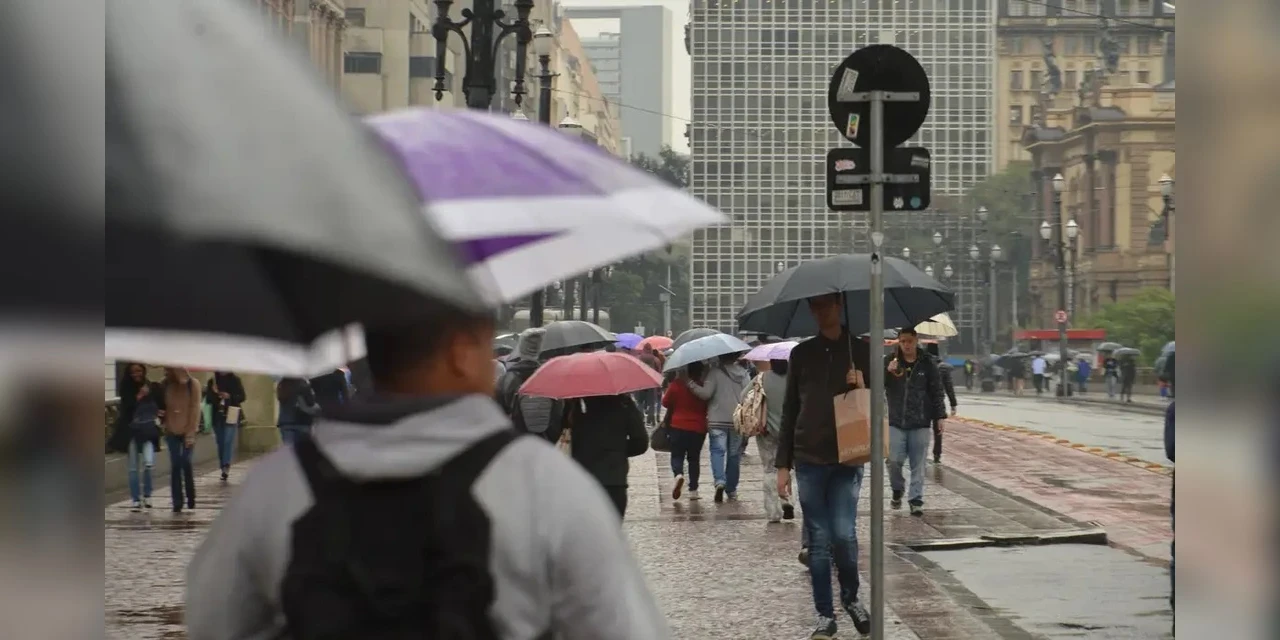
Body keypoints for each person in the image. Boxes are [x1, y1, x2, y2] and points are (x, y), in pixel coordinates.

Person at [185, 310, 670, 640]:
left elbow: (214, 622)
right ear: (461, 352)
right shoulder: (541, 485)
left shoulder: (276, 487)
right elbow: (619, 626)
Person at [775, 293, 872, 639]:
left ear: (840, 305)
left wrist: (862, 385)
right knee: (818, 541)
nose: (819, 311)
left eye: (825, 304)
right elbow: (789, 410)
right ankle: (824, 615)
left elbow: (878, 402)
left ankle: (851, 598)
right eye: (813, 306)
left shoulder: (860, 350)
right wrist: (782, 464)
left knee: (844, 535)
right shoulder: (802, 354)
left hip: (847, 456)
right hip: (809, 458)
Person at [884, 329, 947, 516]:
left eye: (910, 341)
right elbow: (876, 385)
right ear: (898, 342)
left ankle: (916, 499)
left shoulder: (927, 363)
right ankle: (898, 489)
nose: (906, 345)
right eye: (903, 341)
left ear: (916, 341)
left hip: (921, 421)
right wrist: (888, 373)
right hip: (896, 421)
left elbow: (937, 391)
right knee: (893, 461)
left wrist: (940, 416)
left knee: (918, 464)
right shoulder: (890, 361)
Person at [561, 394, 650, 518]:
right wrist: (617, 450)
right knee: (612, 532)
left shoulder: (576, 401)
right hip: (614, 479)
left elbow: (562, 433)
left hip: (582, 478)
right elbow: (641, 443)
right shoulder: (624, 402)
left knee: (586, 533)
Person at [686, 353, 750, 503]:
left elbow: (705, 394)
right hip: (737, 420)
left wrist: (690, 384)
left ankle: (720, 481)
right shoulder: (744, 373)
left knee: (717, 451)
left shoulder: (714, 372)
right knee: (734, 455)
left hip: (717, 420)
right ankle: (732, 489)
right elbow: (748, 396)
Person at [116, 363, 163, 510]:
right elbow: (126, 409)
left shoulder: (150, 386)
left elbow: (158, 404)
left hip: (148, 431)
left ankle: (148, 495)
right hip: (132, 431)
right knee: (133, 468)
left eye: (139, 371)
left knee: (149, 464)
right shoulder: (126, 388)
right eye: (133, 372)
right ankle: (136, 499)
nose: (136, 374)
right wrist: (139, 396)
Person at [755, 358, 795, 523]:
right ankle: (788, 500)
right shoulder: (794, 378)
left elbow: (745, 396)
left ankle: (773, 512)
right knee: (789, 468)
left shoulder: (762, 378)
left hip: (767, 431)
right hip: (791, 431)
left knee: (770, 469)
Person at [662, 361, 709, 501]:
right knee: (694, 459)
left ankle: (678, 474)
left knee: (677, 455)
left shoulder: (677, 384)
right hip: (698, 427)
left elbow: (665, 402)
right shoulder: (702, 387)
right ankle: (693, 490)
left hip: (678, 425)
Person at [161, 367, 202, 513]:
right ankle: (177, 501)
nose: (166, 372)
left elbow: (195, 408)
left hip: (188, 429)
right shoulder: (164, 384)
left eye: (169, 370)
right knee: (175, 464)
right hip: (171, 430)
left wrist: (190, 433)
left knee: (186, 461)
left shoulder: (193, 384)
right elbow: (161, 406)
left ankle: (191, 496)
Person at [206, 371, 246, 483]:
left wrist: (229, 396)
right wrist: (214, 393)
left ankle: (226, 466)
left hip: (231, 413)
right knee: (221, 442)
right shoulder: (212, 381)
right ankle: (223, 465)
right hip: (217, 416)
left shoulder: (235, 380)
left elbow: (242, 396)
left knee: (228, 441)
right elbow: (208, 400)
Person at [925, 344, 957, 464]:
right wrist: (953, 404)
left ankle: (923, 453)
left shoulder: (923, 365)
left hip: (924, 402)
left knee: (923, 429)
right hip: (938, 402)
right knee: (938, 430)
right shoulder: (943, 368)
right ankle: (937, 454)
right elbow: (949, 387)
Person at [276, 377, 320, 446]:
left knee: (289, 451)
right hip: (301, 423)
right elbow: (308, 405)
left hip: (286, 423)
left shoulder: (282, 384)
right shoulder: (303, 385)